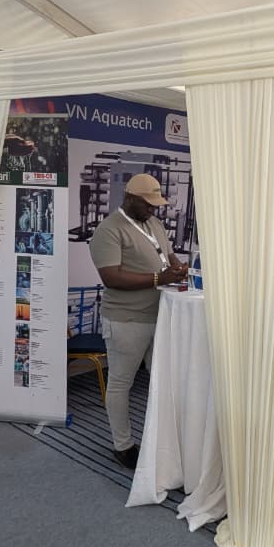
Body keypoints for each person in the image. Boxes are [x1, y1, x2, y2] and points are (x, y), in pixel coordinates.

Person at [88, 173, 188, 469]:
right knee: (121, 383)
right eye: (147, 204)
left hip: (160, 315)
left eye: (155, 204)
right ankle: (123, 446)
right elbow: (111, 277)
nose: (152, 209)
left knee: (163, 381)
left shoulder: (153, 223)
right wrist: (158, 278)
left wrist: (178, 268)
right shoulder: (109, 230)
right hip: (126, 319)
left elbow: (168, 255)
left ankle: (162, 442)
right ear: (130, 198)